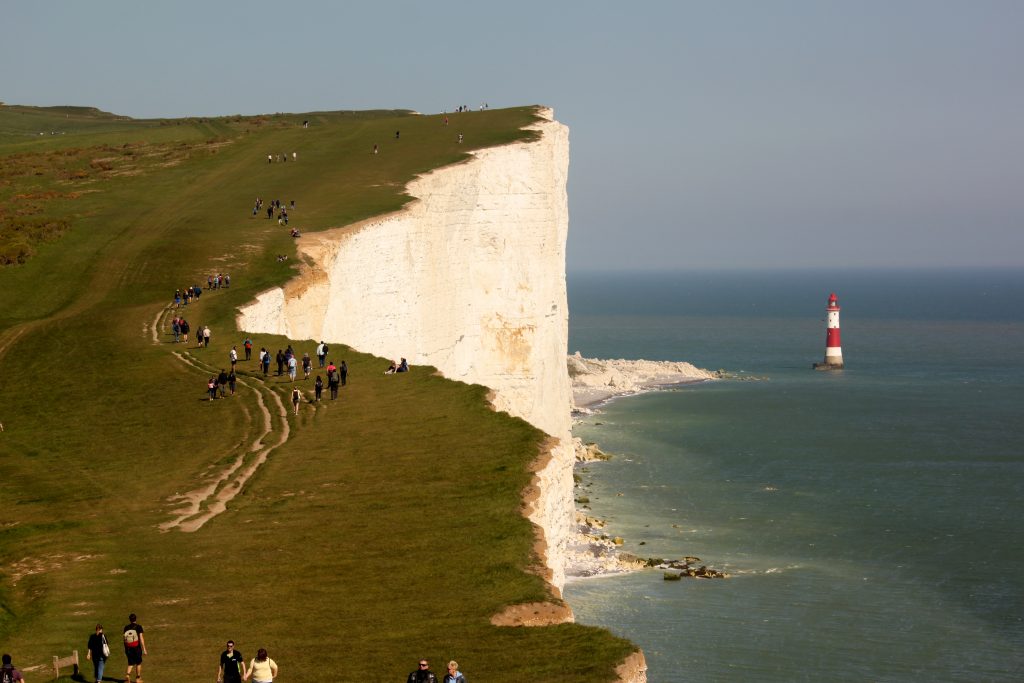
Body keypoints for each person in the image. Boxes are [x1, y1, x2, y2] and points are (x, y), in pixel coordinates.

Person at [122, 613, 146, 682]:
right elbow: (141, 638)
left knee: (130, 663)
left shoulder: (126, 628)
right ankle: (138, 678)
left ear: (130, 620)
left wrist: (126, 649)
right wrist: (144, 649)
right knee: (138, 663)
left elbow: (124, 639)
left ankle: (127, 675)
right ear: (136, 619)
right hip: (137, 648)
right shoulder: (139, 627)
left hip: (128, 648)